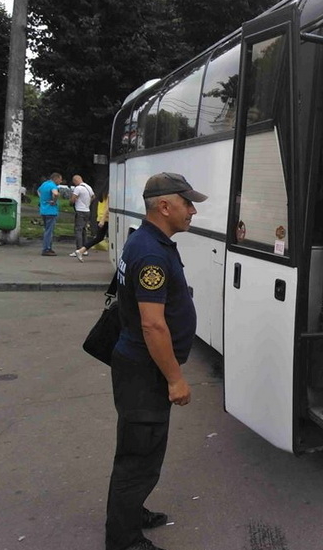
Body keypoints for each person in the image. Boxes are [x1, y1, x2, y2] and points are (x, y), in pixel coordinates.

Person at [106, 172, 207, 550]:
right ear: (164, 206)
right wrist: (175, 379)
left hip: (137, 366)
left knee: (140, 451)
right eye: (187, 203)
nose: (193, 210)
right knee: (139, 457)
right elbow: (153, 325)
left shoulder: (146, 240)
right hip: (144, 372)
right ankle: (124, 540)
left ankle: (131, 512)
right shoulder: (151, 252)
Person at [74, 183, 110, 262]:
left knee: (99, 237)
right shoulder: (110, 194)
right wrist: (103, 220)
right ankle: (81, 250)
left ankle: (81, 250)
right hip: (106, 218)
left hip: (101, 217)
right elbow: (107, 208)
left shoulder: (103, 194)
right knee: (99, 237)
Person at [37, 172, 62, 256]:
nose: (60, 181)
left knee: (46, 229)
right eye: (60, 179)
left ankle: (48, 248)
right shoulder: (53, 186)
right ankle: (46, 248)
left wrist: (42, 199)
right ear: (56, 179)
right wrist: (54, 201)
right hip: (51, 211)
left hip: (43, 210)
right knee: (49, 231)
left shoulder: (44, 184)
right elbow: (55, 193)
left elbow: (38, 191)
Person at [69, 174, 95, 257]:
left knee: (78, 230)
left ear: (75, 180)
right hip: (87, 210)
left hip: (80, 211)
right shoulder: (88, 187)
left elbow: (73, 199)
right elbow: (93, 196)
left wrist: (71, 202)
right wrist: (88, 203)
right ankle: (85, 249)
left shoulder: (78, 188)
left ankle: (79, 250)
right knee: (84, 230)